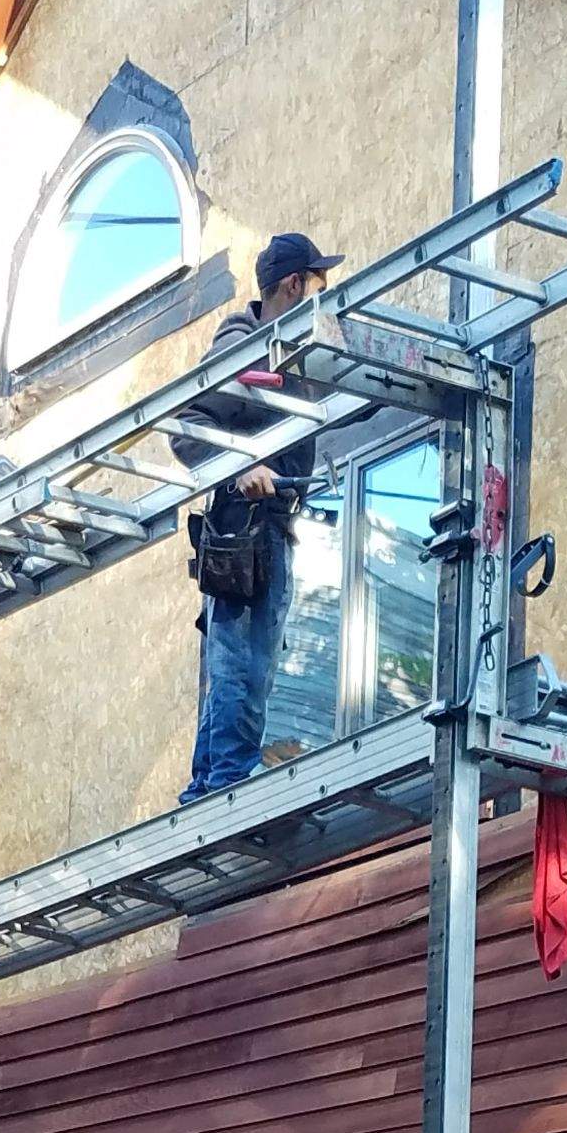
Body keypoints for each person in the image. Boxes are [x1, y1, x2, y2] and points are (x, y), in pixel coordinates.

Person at [170, 229, 343, 804]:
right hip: (243, 524)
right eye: (318, 284)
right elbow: (185, 425)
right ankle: (227, 784)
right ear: (293, 285)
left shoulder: (285, 347)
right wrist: (237, 465)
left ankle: (210, 781)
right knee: (242, 658)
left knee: (246, 658)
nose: (323, 294)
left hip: (268, 525)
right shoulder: (242, 343)